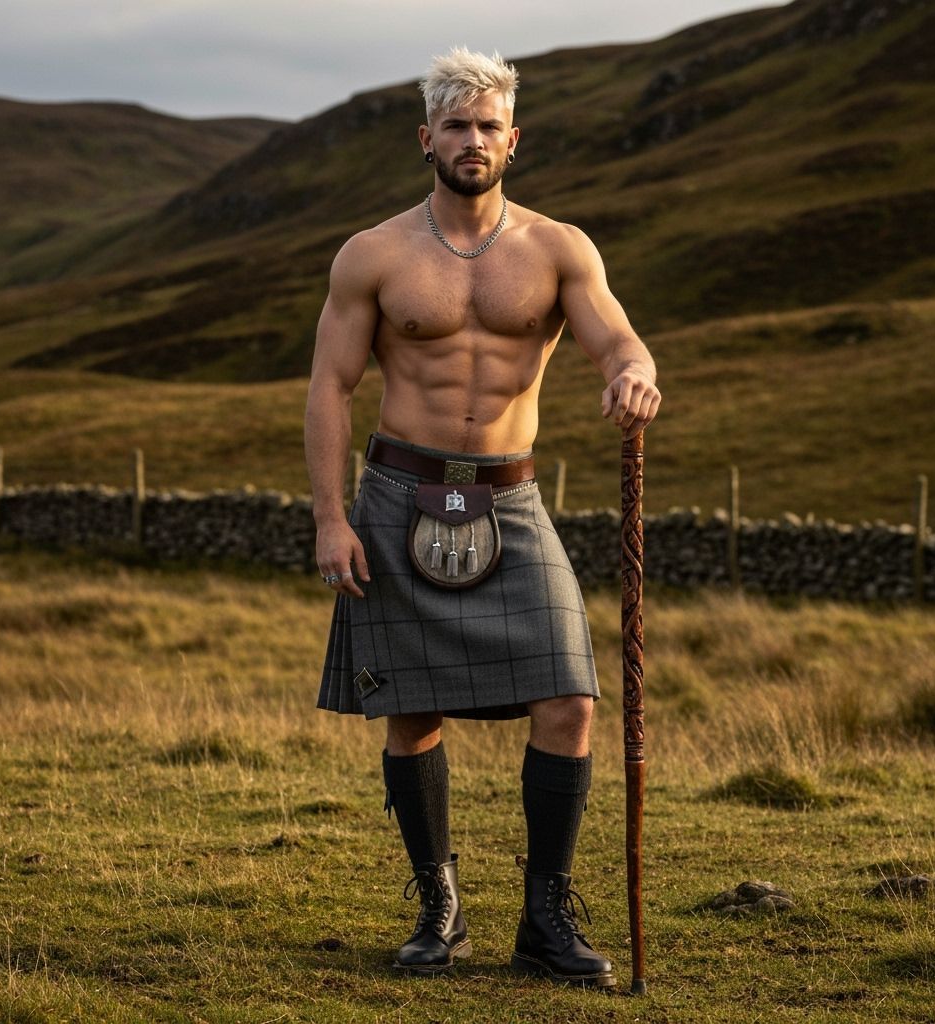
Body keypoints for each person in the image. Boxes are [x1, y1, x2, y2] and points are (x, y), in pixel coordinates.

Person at [304, 47, 660, 988]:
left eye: (488, 125)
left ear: (514, 140)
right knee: (410, 710)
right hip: (396, 494)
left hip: (511, 496)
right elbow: (332, 388)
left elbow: (613, 333)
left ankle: (546, 918)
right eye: (455, 125)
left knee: (571, 700)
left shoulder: (558, 249)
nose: (472, 141)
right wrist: (331, 518)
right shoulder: (372, 254)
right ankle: (440, 910)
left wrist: (633, 370)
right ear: (428, 138)